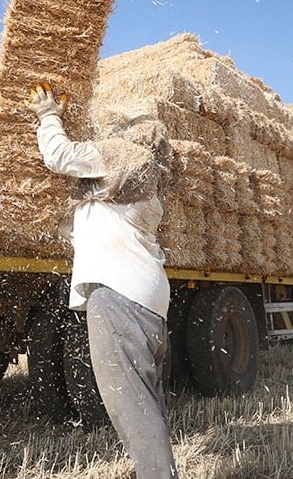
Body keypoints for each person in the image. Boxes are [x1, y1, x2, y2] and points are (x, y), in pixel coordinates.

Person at [25, 83, 178, 478]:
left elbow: (59, 155)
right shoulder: (145, 181)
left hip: (118, 295)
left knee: (129, 405)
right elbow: (84, 222)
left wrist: (48, 116)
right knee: (146, 400)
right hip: (148, 297)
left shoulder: (124, 157)